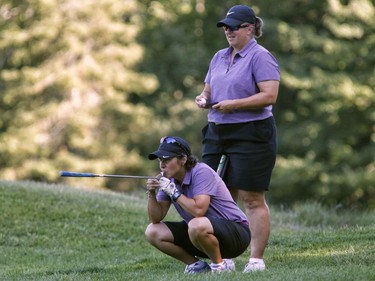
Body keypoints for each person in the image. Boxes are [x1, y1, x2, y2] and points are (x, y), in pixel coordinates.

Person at [195, 5, 280, 272]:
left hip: (252, 133)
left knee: (252, 198)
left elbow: (269, 96)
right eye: (225, 27)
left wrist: (234, 104)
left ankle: (256, 261)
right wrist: (203, 98)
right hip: (217, 133)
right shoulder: (219, 56)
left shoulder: (261, 57)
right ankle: (225, 258)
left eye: (234, 27)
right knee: (219, 196)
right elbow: (208, 90)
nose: (228, 31)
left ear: (250, 28)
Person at [144, 136, 250, 274]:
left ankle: (220, 267)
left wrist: (174, 192)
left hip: (236, 234)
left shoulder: (201, 171)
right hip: (202, 234)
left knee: (196, 224)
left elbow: (199, 210)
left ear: (183, 160)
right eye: (160, 160)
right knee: (153, 231)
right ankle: (196, 266)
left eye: (167, 160)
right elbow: (156, 218)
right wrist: (151, 193)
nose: (162, 165)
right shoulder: (169, 180)